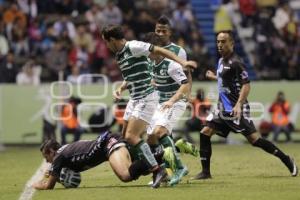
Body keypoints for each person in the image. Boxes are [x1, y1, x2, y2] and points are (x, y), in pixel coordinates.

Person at [193, 30, 298, 180]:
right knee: (205, 132)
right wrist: (214, 77)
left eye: (223, 41)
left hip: (237, 109)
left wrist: (238, 105)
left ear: (232, 44)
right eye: (218, 42)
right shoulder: (221, 61)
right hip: (222, 109)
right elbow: (227, 80)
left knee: (255, 140)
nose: (220, 45)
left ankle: (287, 159)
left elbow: (246, 85)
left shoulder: (236, 62)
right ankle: (205, 172)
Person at [101, 25, 197, 188]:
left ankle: (157, 169)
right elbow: (131, 76)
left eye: (106, 42)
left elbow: (160, 50)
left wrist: (182, 61)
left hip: (148, 98)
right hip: (135, 98)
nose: (105, 46)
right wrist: (120, 89)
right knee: (127, 137)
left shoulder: (134, 46)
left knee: (136, 136)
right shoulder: (120, 55)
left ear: (111, 40)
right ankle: (156, 162)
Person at [32, 131, 167, 190]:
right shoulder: (65, 152)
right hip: (108, 143)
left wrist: (34, 184)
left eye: (46, 157)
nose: (48, 161)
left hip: (108, 144)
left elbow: (48, 186)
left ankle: (161, 155)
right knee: (134, 170)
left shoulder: (58, 157)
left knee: (125, 175)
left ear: (51, 151)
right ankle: (161, 159)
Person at [144, 32, 190, 186]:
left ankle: (180, 168)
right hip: (160, 104)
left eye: (149, 50)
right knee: (150, 137)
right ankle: (163, 172)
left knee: (159, 132)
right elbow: (153, 78)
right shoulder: (151, 64)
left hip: (175, 103)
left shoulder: (171, 65)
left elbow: (184, 84)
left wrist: (171, 100)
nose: (146, 53)